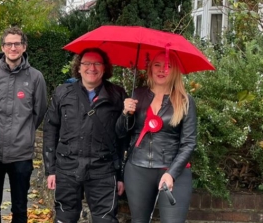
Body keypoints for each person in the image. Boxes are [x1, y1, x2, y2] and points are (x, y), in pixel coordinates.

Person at [43, 48, 128, 223]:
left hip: (103, 168)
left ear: (105, 68)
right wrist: (51, 170)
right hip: (67, 167)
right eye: (86, 63)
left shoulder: (117, 95)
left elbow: (123, 138)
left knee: (105, 219)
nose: (92, 68)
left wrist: (120, 176)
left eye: (97, 63)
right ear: (78, 67)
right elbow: (50, 129)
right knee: (65, 216)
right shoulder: (63, 92)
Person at [119, 51, 197, 223]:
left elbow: (189, 143)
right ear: (150, 69)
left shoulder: (185, 101)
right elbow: (121, 134)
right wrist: (126, 114)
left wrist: (172, 173)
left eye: (168, 66)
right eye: (157, 65)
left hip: (173, 169)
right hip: (138, 168)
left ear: (175, 70)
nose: (162, 70)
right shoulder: (137, 95)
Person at [0, 27, 48, 223]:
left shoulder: (35, 77)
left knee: (20, 207)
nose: (13, 47)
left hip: (21, 154)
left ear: (24, 47)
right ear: (3, 47)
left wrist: (24, 133)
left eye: (17, 43)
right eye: (9, 44)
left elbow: (39, 111)